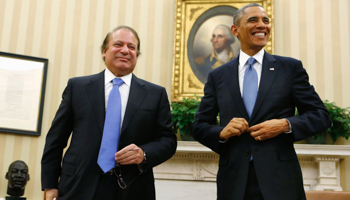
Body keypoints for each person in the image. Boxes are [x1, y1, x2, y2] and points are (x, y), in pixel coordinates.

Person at [191, 3, 331, 200]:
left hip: (281, 182)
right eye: (253, 20)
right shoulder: (218, 76)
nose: (262, 25)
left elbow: (321, 116)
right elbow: (199, 126)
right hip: (234, 183)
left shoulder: (289, 68)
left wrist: (285, 125)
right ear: (235, 30)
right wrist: (221, 133)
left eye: (266, 21)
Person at [41, 26, 177, 200]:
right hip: (78, 186)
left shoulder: (155, 94)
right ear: (104, 51)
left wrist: (144, 153)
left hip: (132, 189)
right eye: (118, 44)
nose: (125, 51)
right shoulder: (78, 87)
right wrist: (50, 184)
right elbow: (56, 139)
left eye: (132, 47)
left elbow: (168, 140)